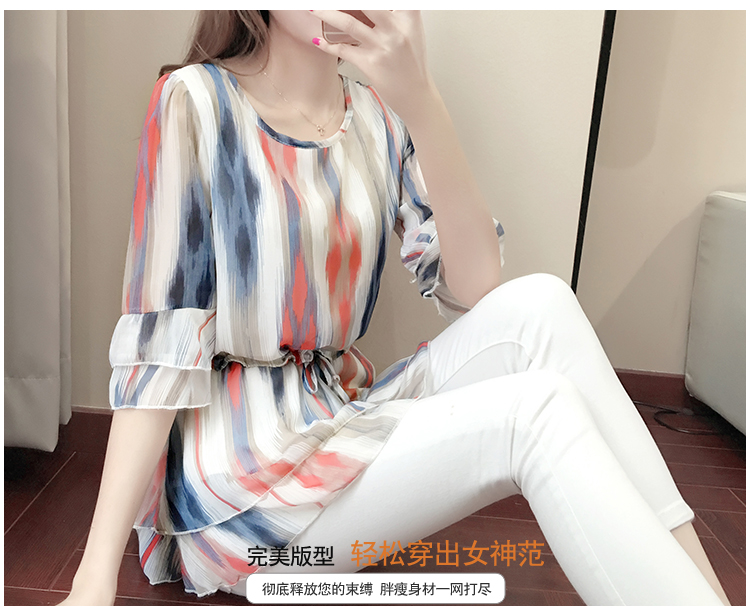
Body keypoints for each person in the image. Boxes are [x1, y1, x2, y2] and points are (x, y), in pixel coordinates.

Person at [59, 10, 729, 606]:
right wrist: (93, 579)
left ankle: (708, 597)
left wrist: (422, 102)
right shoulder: (196, 101)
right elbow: (159, 349)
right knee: (536, 411)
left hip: (337, 421)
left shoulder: (380, 118)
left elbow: (475, 288)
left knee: (543, 303)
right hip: (243, 501)